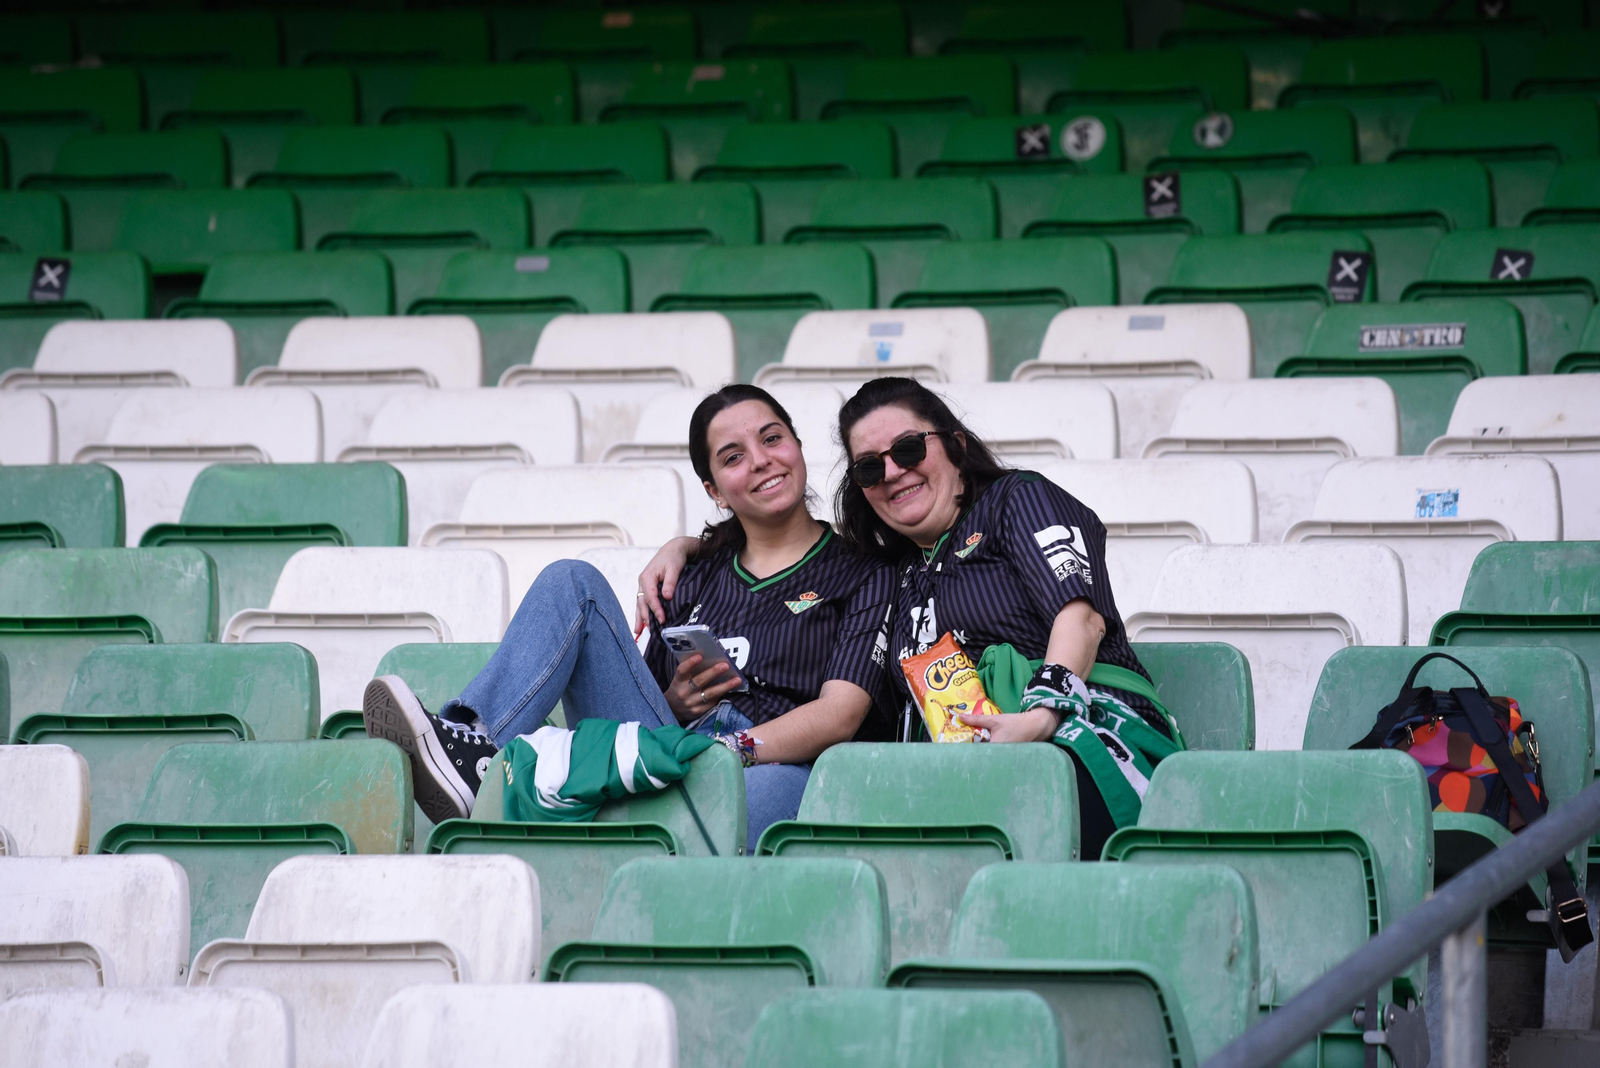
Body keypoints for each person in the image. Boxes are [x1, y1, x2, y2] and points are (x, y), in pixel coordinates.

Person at [364, 384, 896, 851]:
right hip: (668, 750)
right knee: (572, 580)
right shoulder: (689, 576)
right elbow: (641, 712)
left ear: (799, 447)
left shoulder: (864, 571)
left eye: (773, 438)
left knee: (726, 812)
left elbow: (838, 716)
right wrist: (672, 704)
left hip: (775, 764)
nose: (760, 460)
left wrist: (719, 749)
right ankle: (475, 752)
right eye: (732, 457)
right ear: (713, 490)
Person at [836, 377, 1180, 858]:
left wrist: (1040, 717)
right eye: (870, 468)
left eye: (909, 449)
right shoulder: (893, 573)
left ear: (955, 445)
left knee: (1039, 788)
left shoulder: (1017, 499)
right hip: (959, 770)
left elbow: (1081, 620)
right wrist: (695, 547)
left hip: (1078, 729)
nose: (892, 472)